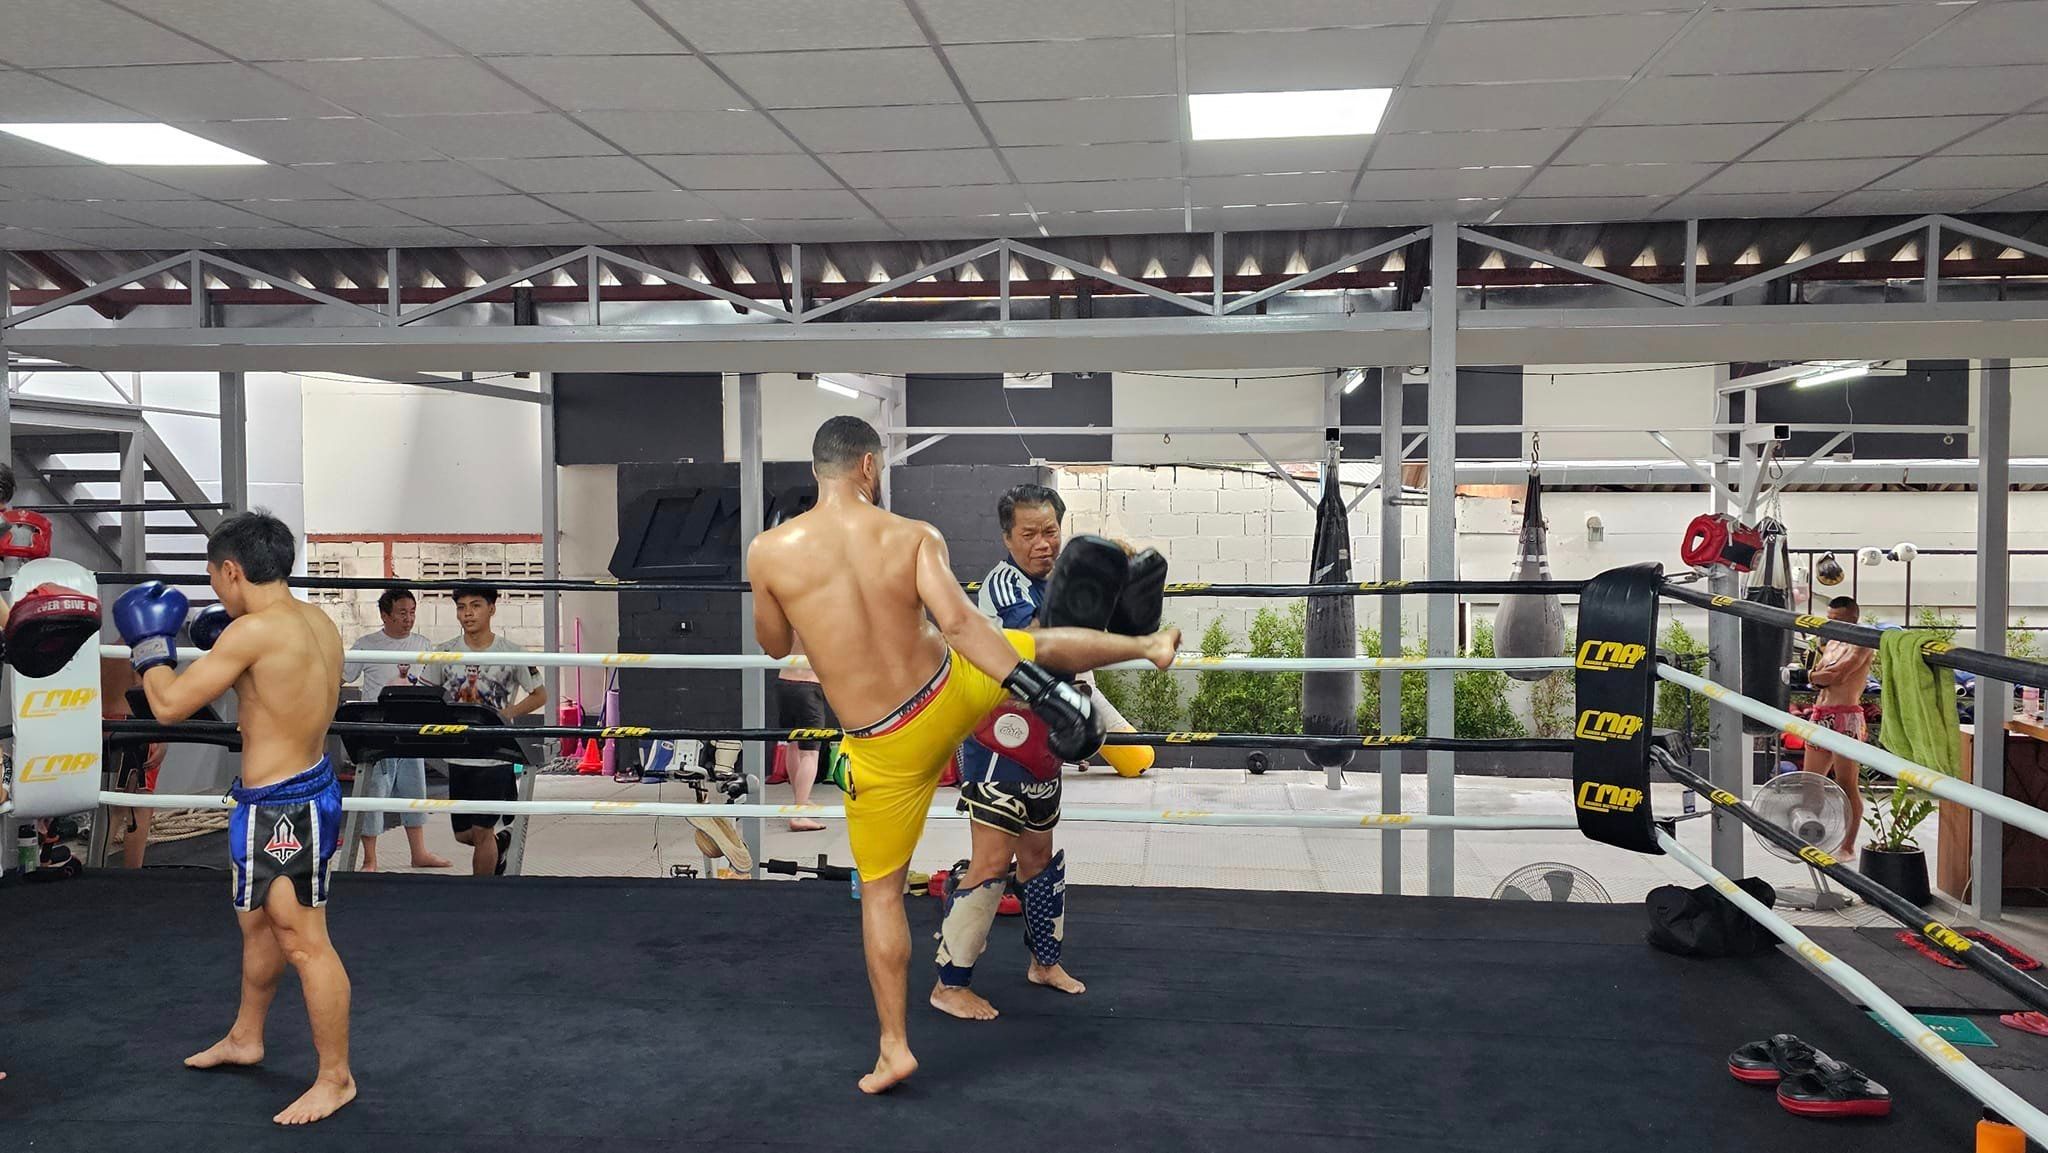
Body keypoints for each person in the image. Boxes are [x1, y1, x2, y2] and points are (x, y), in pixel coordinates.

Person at [748, 416, 1180, 1095]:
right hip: (946, 693)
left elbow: (774, 645)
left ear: (817, 469)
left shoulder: (768, 550)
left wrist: (799, 596)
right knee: (1037, 646)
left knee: (882, 893)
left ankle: (894, 1049)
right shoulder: (915, 535)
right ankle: (1145, 645)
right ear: (869, 466)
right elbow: (959, 624)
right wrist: (1035, 687)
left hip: (881, 744)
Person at [116, 510, 355, 1125]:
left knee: (304, 941)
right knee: (257, 928)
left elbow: (168, 705)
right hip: (290, 791)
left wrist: (149, 645)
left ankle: (336, 1078)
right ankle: (247, 1037)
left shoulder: (253, 633)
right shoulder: (317, 621)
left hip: (285, 806)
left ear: (231, 570)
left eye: (213, 578)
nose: (215, 590)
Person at [933, 483, 1089, 1021]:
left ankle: (1045, 963)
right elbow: (1036, 643)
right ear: (1007, 537)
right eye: (1029, 534)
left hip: (1045, 737)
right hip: (997, 739)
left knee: (1039, 855)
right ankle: (950, 984)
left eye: (1050, 531)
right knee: (992, 860)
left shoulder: (1060, 581)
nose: (1043, 543)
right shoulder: (1005, 583)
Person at [426, 585, 546, 876]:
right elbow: (429, 694)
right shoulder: (443, 652)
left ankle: (479, 893)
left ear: (491, 609)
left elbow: (540, 695)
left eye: (476, 605)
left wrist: (508, 713)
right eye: (461, 607)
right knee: (464, 834)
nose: (468, 613)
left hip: (495, 755)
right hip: (458, 752)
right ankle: (501, 843)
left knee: (482, 832)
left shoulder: (512, 653)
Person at [343, 586, 451, 872]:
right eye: (402, 613)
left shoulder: (423, 644)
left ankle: (419, 853)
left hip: (410, 728)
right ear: (384, 615)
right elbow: (341, 676)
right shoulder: (366, 645)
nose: (408, 618)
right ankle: (370, 859)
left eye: (412, 612)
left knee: (414, 791)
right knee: (373, 793)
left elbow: (434, 684)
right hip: (376, 730)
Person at [1801, 595, 1877, 858]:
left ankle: (1847, 846)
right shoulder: (1832, 642)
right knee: (1810, 782)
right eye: (1829, 620)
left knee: (1846, 784)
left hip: (1846, 716)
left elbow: (1837, 675)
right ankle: (1813, 835)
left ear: (1853, 618)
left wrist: (1811, 676)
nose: (1832, 625)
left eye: (1838, 620)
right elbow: (1820, 678)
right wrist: (1816, 676)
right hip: (1820, 714)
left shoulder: (1863, 642)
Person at [100, 658, 166, 869]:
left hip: (105, 724)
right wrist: (161, 734)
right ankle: (133, 874)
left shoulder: (106, 651)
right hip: (135, 725)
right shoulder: (143, 650)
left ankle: (95, 867)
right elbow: (144, 690)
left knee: (110, 805)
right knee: (139, 805)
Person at [775, 633, 832, 832]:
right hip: (808, 687)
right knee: (810, 753)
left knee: (793, 745)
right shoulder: (822, 618)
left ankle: (800, 800)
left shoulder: (792, 615)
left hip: (784, 683)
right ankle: (799, 815)